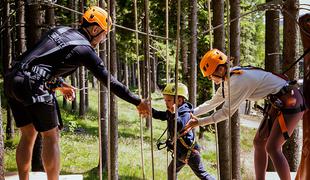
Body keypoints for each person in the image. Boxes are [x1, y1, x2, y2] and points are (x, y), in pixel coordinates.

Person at [4, 6, 150, 180]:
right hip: (32, 83)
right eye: (104, 34)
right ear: (95, 29)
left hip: (13, 79)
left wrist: (59, 84)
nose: (103, 39)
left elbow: (37, 62)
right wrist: (137, 101)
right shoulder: (84, 49)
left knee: (28, 135)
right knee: (51, 136)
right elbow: (109, 81)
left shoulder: (60, 30)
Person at [183, 49, 306, 180]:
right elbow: (213, 102)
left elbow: (225, 113)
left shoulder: (238, 81)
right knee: (259, 143)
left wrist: (199, 122)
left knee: (272, 147)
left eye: (210, 75)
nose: (210, 79)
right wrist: (190, 112)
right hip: (279, 101)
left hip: (291, 101)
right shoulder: (230, 78)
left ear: (219, 70)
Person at [152, 83, 215, 180]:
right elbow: (160, 115)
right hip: (180, 152)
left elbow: (179, 125)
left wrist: (173, 114)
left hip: (190, 152)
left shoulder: (185, 112)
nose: (166, 103)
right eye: (165, 100)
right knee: (171, 170)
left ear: (180, 100)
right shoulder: (173, 111)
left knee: (202, 175)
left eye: (168, 100)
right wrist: (149, 110)